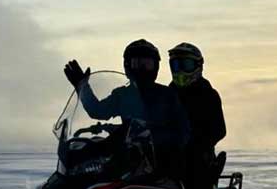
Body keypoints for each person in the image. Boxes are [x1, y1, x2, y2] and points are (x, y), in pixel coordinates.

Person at [63, 39, 190, 176]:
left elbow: (183, 130)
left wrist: (156, 137)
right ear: (128, 65)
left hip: (160, 161)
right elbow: (97, 110)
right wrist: (83, 87)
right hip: (128, 159)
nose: (142, 69)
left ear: (156, 66)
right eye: (137, 63)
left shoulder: (167, 94)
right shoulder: (123, 94)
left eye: (147, 64)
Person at [167, 42, 227, 189]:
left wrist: (198, 141)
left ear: (198, 66)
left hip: (198, 150)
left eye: (185, 65)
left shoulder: (207, 94)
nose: (180, 70)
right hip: (170, 147)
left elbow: (219, 129)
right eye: (176, 65)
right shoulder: (168, 94)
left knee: (194, 168)